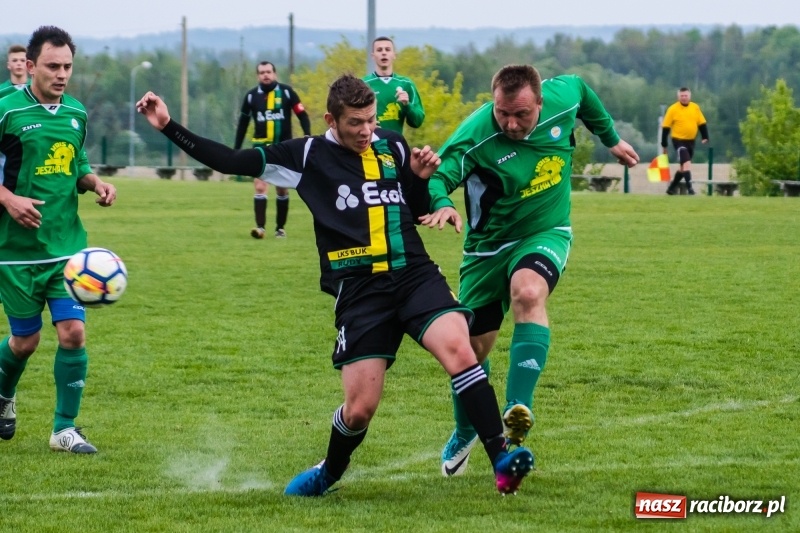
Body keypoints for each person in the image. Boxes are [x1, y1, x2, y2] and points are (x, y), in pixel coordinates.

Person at [136, 74, 534, 496]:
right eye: (355, 123)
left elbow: (414, 208)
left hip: (414, 274)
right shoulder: (305, 154)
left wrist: (418, 179)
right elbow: (231, 161)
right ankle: (330, 472)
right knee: (360, 410)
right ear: (331, 119)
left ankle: (501, 460)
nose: (366, 131)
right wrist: (167, 125)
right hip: (361, 291)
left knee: (461, 349)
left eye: (371, 121)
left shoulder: (394, 144)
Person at [422, 65, 639, 477]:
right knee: (470, 352)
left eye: (521, 114)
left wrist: (610, 138)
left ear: (541, 102)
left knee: (528, 292)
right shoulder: (477, 133)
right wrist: (441, 204)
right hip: (486, 251)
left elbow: (583, 93)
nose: (511, 123)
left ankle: (516, 410)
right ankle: (465, 429)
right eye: (503, 112)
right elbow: (440, 176)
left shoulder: (562, 99)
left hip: (545, 231)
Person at [0, 26, 117, 453]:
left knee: (72, 333)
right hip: (14, 253)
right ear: (30, 67)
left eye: (68, 66)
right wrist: (9, 199)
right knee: (25, 342)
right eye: (53, 66)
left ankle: (64, 428)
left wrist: (96, 182)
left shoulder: (77, 113)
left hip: (67, 249)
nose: (62, 74)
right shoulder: (6, 111)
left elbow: (77, 164)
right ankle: (2, 396)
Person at [234, 61, 311, 239]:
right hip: (260, 148)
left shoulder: (287, 92)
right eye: (262, 73)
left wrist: (307, 134)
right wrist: (236, 149)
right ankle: (260, 228)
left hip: (284, 147)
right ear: (257, 76)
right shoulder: (251, 96)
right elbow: (243, 123)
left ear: (275, 73)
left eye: (268, 72)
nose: (265, 75)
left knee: (282, 189)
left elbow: (302, 115)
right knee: (260, 186)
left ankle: (280, 229)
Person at [362, 37, 425, 134]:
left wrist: (407, 105)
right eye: (379, 50)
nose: (384, 53)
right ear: (373, 56)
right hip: (369, 145)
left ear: (394, 55)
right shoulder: (362, 84)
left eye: (387, 49)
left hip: (395, 145)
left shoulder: (406, 84)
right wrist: (367, 125)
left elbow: (417, 122)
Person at [661, 87, 709, 195]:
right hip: (678, 141)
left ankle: (671, 189)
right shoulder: (672, 109)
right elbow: (665, 128)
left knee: (683, 169)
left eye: (685, 96)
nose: (684, 98)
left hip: (691, 142)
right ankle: (690, 190)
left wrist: (705, 136)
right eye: (681, 96)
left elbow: (702, 123)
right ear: (678, 97)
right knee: (687, 163)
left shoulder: (695, 108)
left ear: (689, 96)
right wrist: (664, 145)